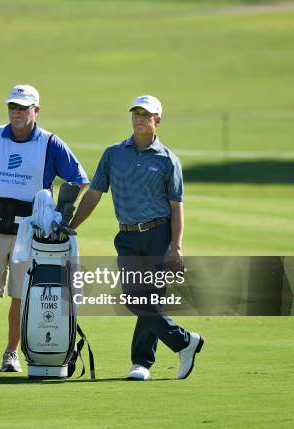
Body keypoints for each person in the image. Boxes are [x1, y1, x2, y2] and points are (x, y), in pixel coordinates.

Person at [0, 84, 88, 373]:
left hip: (30, 234)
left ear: (36, 110)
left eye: (23, 108)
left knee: (21, 295)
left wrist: (59, 215)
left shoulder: (50, 143)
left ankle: (11, 353)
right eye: (13, 107)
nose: (17, 113)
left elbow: (79, 179)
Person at [69, 95, 204, 380]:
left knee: (150, 299)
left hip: (159, 235)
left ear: (158, 120)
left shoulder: (168, 160)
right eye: (136, 113)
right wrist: (72, 225)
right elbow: (94, 193)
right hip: (128, 236)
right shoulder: (113, 153)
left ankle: (141, 363)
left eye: (146, 114)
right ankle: (184, 342)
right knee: (134, 298)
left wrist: (176, 246)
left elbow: (176, 207)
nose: (140, 118)